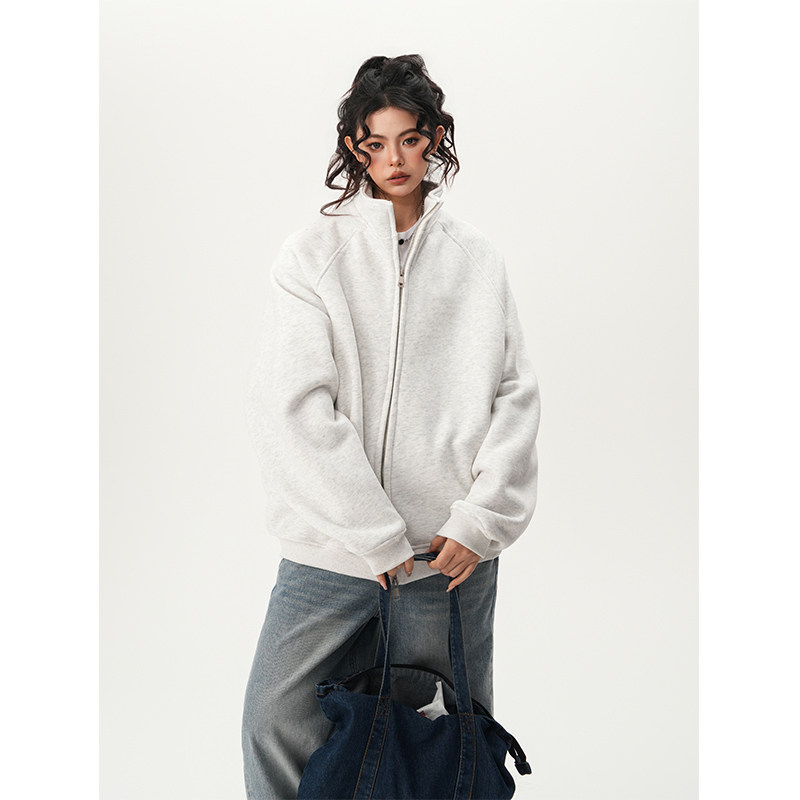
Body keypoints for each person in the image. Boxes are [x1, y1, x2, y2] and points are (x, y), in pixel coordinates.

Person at [241, 53, 541, 800]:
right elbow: (294, 404)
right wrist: (371, 531)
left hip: (447, 555)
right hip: (334, 549)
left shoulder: (477, 261)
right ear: (355, 147)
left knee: (440, 743)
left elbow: (514, 395)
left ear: (433, 138)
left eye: (410, 139)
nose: (395, 159)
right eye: (375, 143)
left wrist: (482, 519)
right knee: (274, 721)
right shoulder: (312, 256)